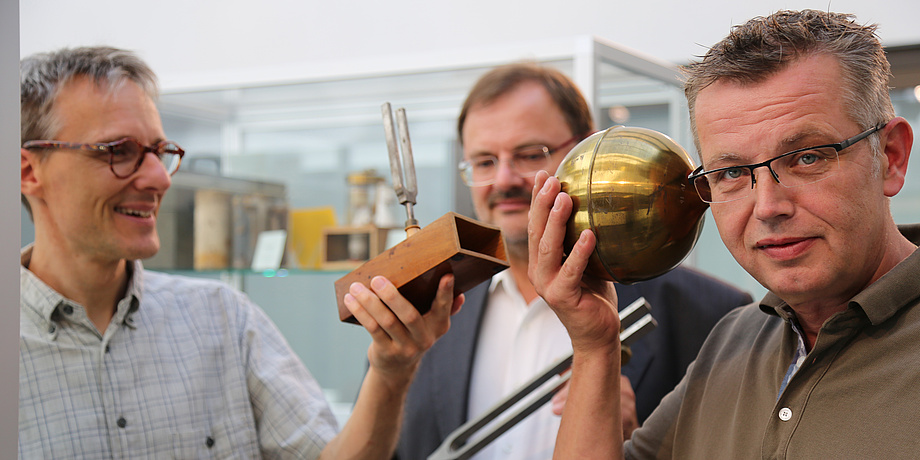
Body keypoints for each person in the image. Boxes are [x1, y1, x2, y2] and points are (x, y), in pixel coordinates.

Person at [18, 46, 462, 459]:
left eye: (159, 151)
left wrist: (390, 372)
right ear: (27, 170)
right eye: (119, 151)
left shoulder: (223, 318)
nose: (159, 177)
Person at [528, 9, 919, 459]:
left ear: (890, 157)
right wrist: (596, 347)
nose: (769, 207)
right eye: (732, 171)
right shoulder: (731, 341)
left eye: (807, 157)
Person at [396, 63, 752, 459]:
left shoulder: (713, 316)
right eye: (483, 162)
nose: (503, 180)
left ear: (587, 149)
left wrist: (638, 444)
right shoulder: (439, 309)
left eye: (529, 154)